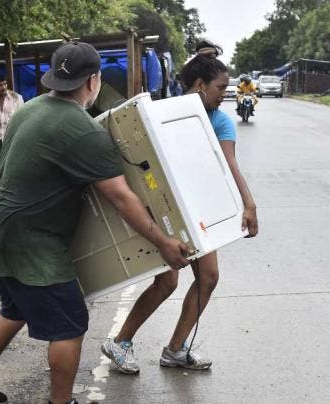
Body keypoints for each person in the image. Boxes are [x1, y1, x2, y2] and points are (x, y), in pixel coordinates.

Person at [0, 42, 190, 404]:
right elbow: (122, 198)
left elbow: (4, 169)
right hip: (31, 243)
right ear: (94, 80)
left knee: (15, 309)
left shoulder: (28, 110)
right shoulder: (84, 131)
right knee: (70, 324)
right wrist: (164, 242)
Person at [101, 40, 259, 374]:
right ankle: (121, 342)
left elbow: (230, 166)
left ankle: (175, 348)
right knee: (167, 281)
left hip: (198, 209)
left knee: (209, 276)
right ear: (199, 86)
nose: (224, 94)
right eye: (219, 88)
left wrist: (248, 203)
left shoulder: (220, 121)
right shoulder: (163, 113)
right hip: (161, 208)